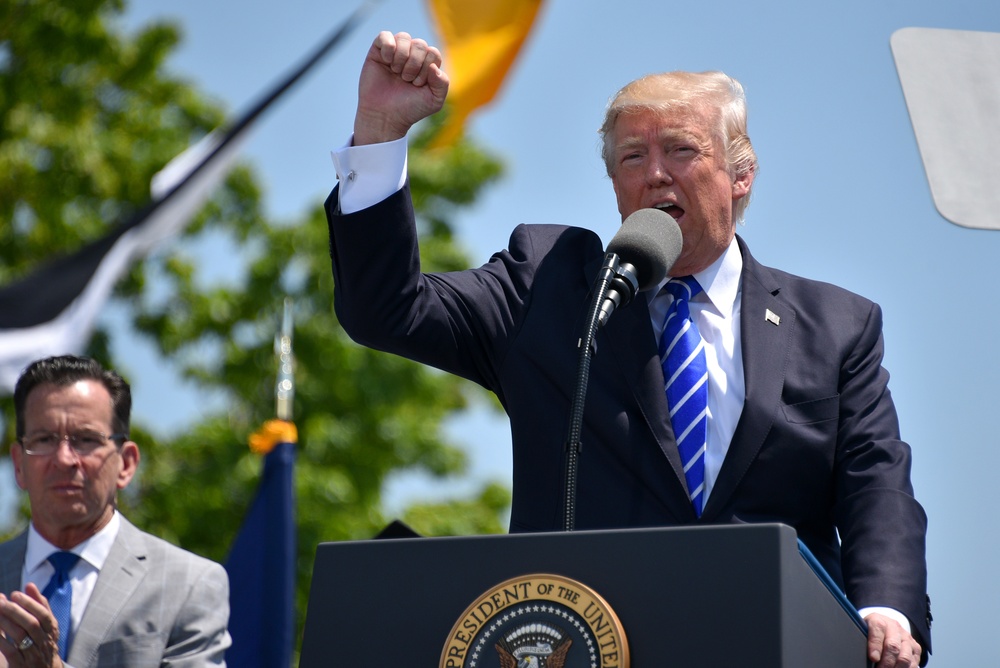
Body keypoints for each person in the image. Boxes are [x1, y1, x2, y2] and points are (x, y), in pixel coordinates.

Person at [326, 31, 931, 667]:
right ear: (615, 184)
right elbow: (387, 309)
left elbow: (875, 484)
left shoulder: (836, 325)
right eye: (633, 157)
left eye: (681, 150)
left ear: (742, 174)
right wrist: (379, 131)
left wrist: (883, 610)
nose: (656, 174)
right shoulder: (549, 283)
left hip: (775, 641)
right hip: (588, 642)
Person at [0, 355, 231, 667]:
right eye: (44, 439)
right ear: (18, 464)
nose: (65, 459)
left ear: (126, 463)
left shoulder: (188, 585)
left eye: (85, 440)